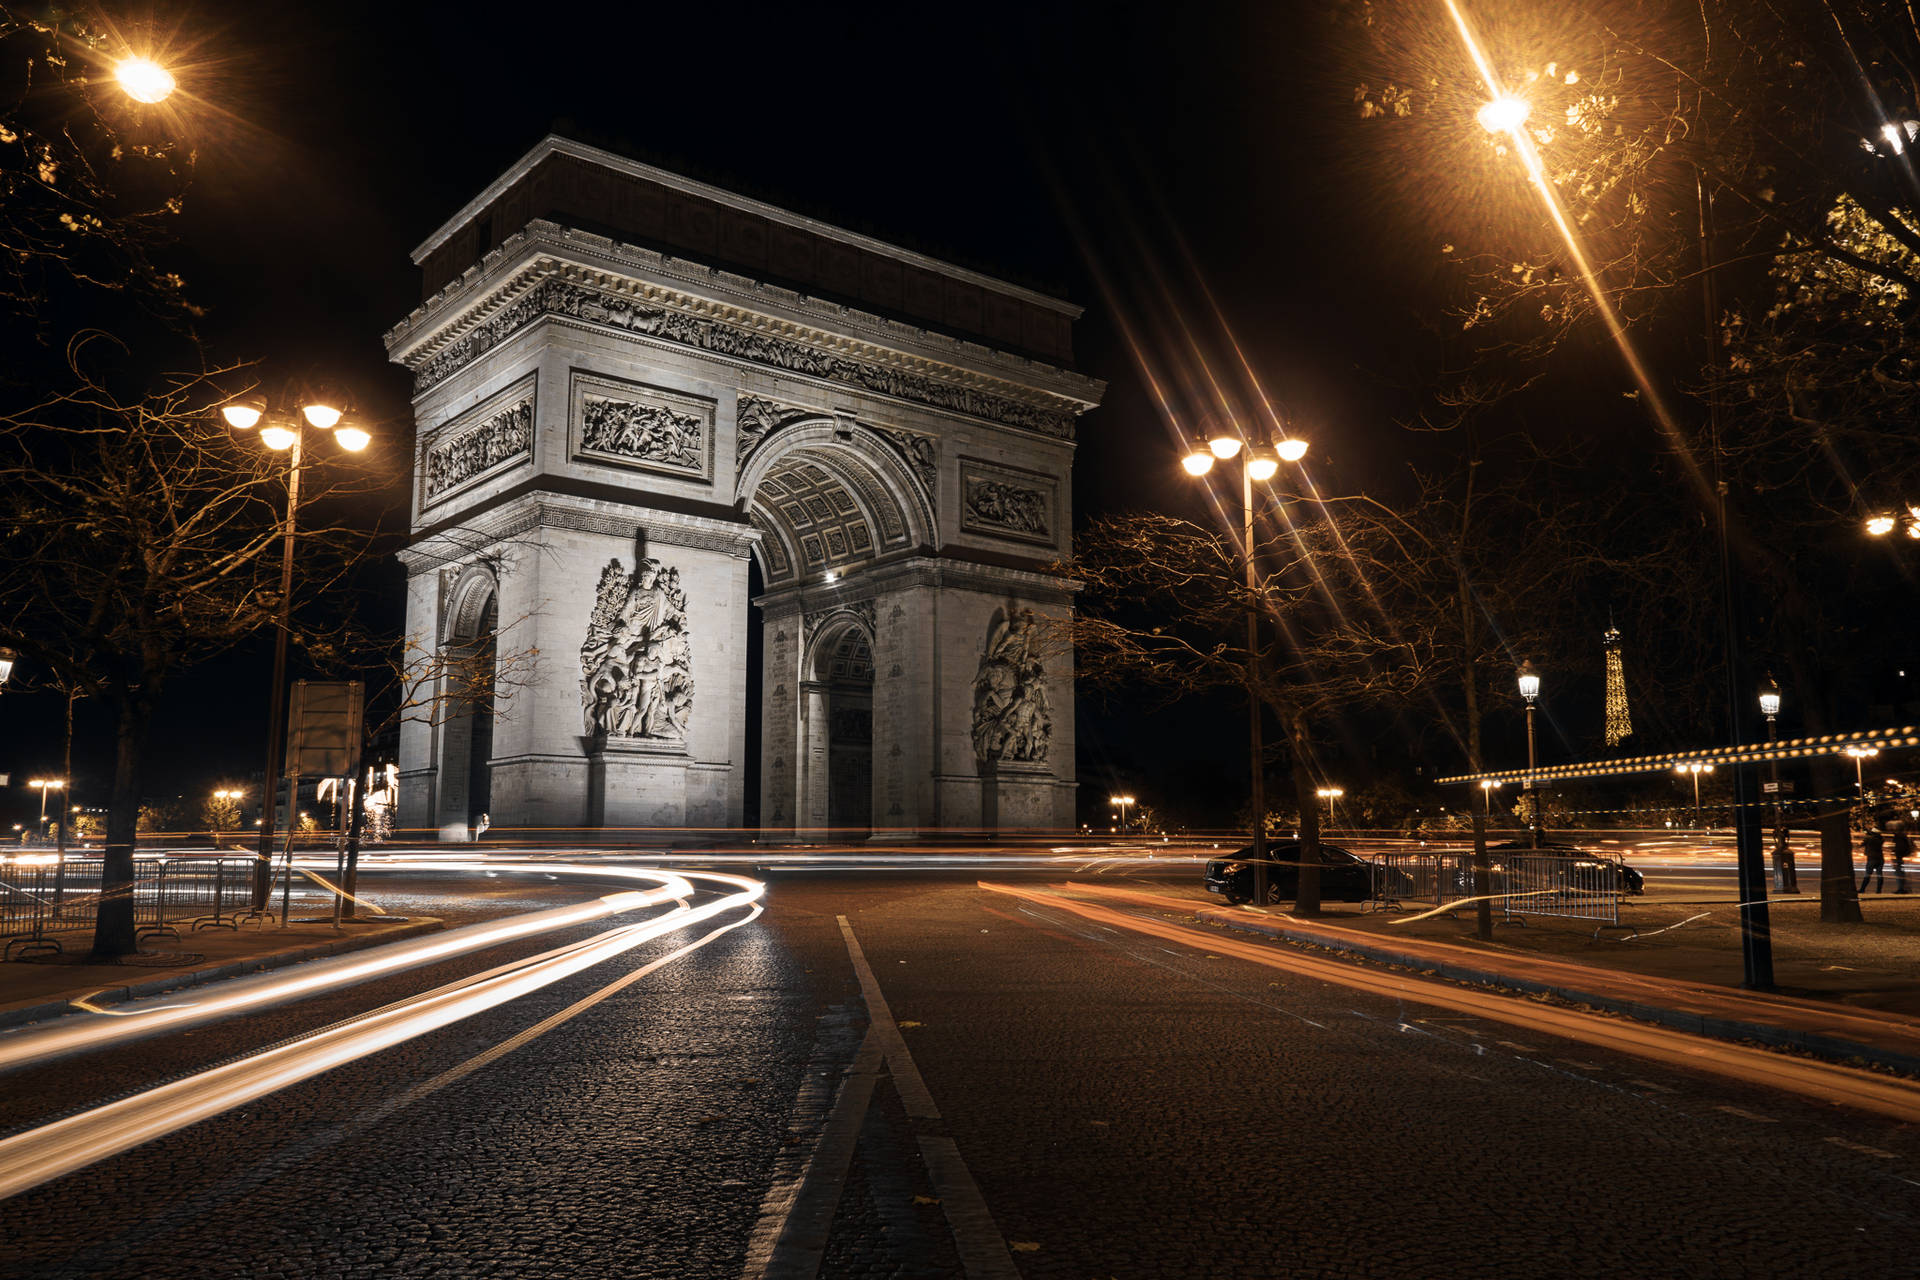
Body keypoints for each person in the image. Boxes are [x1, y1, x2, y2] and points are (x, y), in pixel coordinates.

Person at [1860, 819, 1886, 894]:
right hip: (1880, 858)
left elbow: (1862, 843)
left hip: (1871, 858)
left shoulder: (1869, 839)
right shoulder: (1881, 839)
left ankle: (1862, 889)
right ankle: (1878, 890)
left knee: (1867, 874)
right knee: (1879, 875)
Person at [1893, 820, 1912, 895]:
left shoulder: (1899, 836)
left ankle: (1901, 889)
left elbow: (1899, 847)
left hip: (1898, 857)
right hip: (1900, 857)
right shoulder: (1903, 836)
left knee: (1899, 874)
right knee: (1900, 873)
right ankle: (1901, 888)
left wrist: (1895, 853)